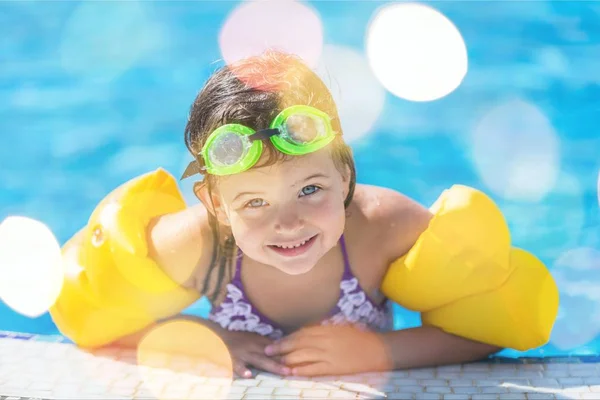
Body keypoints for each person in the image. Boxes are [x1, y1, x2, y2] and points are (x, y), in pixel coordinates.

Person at [105, 50, 500, 378]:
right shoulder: (195, 247)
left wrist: (379, 351)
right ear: (216, 204)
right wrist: (211, 338)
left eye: (309, 190)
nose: (289, 223)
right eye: (254, 203)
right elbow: (104, 322)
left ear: (344, 177)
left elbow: (492, 327)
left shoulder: (385, 227)